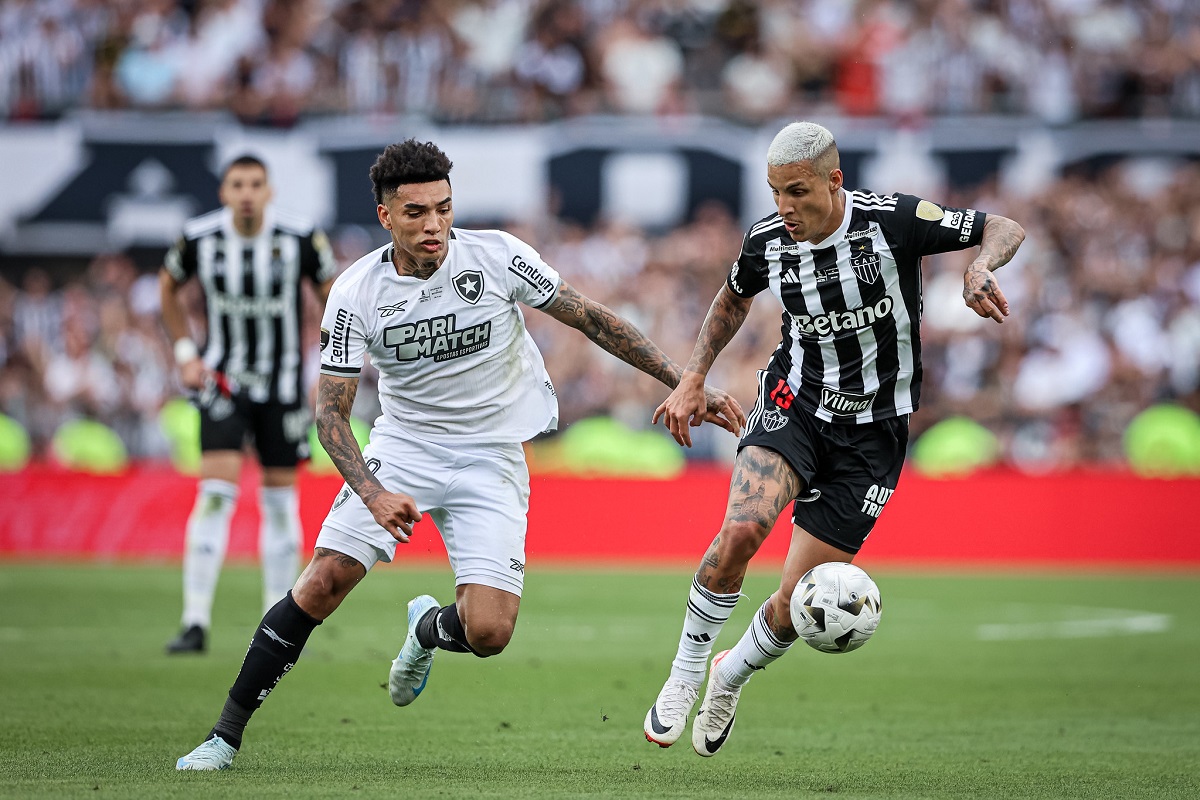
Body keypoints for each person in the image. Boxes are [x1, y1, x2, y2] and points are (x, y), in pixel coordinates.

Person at [175, 138, 745, 770]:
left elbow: (590, 317)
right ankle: (224, 735)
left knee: (490, 634)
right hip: (404, 448)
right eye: (416, 212)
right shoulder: (356, 292)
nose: (434, 225)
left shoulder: (497, 257)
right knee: (323, 581)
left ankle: (426, 631)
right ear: (386, 215)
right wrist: (373, 491)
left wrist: (684, 382)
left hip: (492, 456)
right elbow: (331, 416)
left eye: (443, 208)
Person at [643, 121, 1025, 757]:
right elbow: (732, 299)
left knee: (798, 602)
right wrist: (692, 378)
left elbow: (1003, 225)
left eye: (797, 192)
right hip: (795, 401)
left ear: (833, 180)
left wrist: (979, 266)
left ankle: (729, 675)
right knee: (740, 531)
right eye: (775, 194)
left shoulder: (894, 220)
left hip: (874, 434)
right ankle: (684, 672)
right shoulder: (768, 240)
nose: (784, 208)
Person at [161, 154, 337, 654]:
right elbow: (167, 285)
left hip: (282, 387)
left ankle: (271, 623)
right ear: (223, 192)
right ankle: (194, 620)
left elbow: (332, 295)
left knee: (280, 505)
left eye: (255, 184)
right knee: (215, 495)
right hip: (223, 381)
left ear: (269, 191)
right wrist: (184, 352)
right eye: (237, 184)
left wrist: (325, 365)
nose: (246, 193)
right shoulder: (199, 238)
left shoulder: (300, 237)